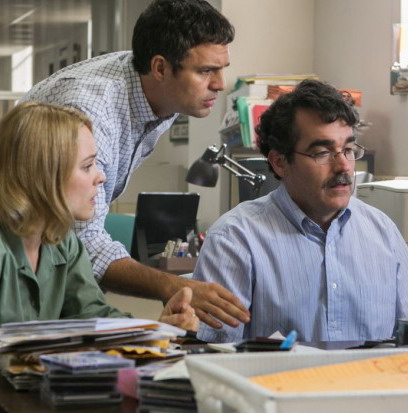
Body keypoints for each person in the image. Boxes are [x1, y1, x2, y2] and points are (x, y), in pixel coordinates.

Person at [20, 0, 250, 330]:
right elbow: (85, 241)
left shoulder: (160, 95)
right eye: (205, 71)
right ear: (160, 68)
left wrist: (155, 329)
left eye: (221, 68)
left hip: (53, 256)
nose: (220, 84)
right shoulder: (92, 109)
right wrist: (170, 286)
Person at [193, 79, 408, 343]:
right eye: (322, 152)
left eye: (349, 150)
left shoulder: (384, 233)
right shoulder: (234, 239)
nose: (343, 166)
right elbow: (215, 355)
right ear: (280, 162)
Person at [0, 101, 197, 331]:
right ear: (43, 174)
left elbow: (93, 316)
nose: (101, 177)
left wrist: (158, 329)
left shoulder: (64, 243)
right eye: (87, 166)